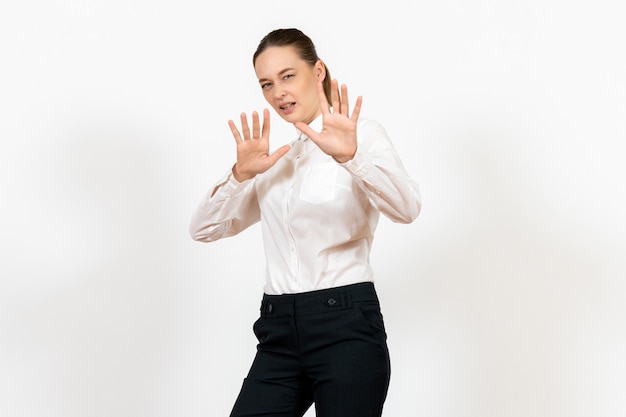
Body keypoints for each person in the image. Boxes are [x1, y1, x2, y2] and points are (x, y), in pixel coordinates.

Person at [189, 28, 421, 417]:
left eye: (287, 76)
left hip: (345, 325)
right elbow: (204, 229)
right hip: (278, 330)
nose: (277, 92)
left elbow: (406, 208)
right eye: (266, 83)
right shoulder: (274, 160)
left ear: (318, 71)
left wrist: (352, 158)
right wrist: (239, 175)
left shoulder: (360, 135)